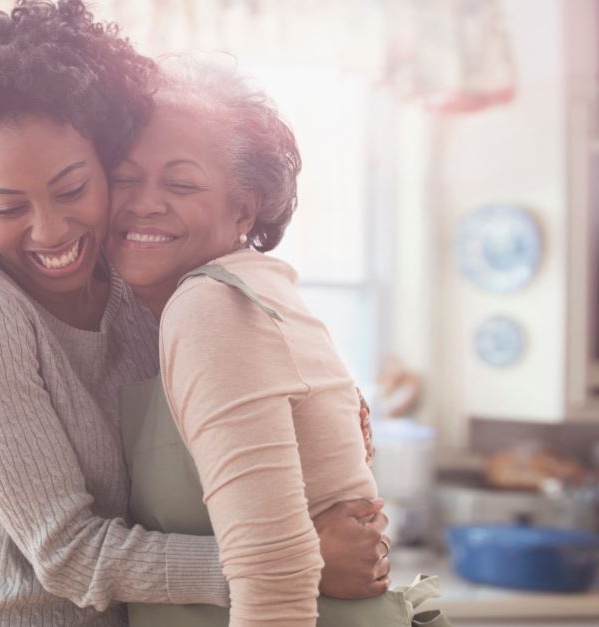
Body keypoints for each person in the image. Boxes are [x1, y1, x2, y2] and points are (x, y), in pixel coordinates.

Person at [0, 2, 388, 625]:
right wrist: (292, 562)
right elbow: (68, 554)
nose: (49, 230)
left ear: (104, 162)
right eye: (8, 206)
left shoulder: (139, 283)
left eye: (72, 189)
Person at [106, 56, 446, 626]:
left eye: (182, 182)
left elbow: (275, 582)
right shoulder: (234, 293)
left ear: (244, 206)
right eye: (124, 177)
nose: (144, 202)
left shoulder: (211, 306)